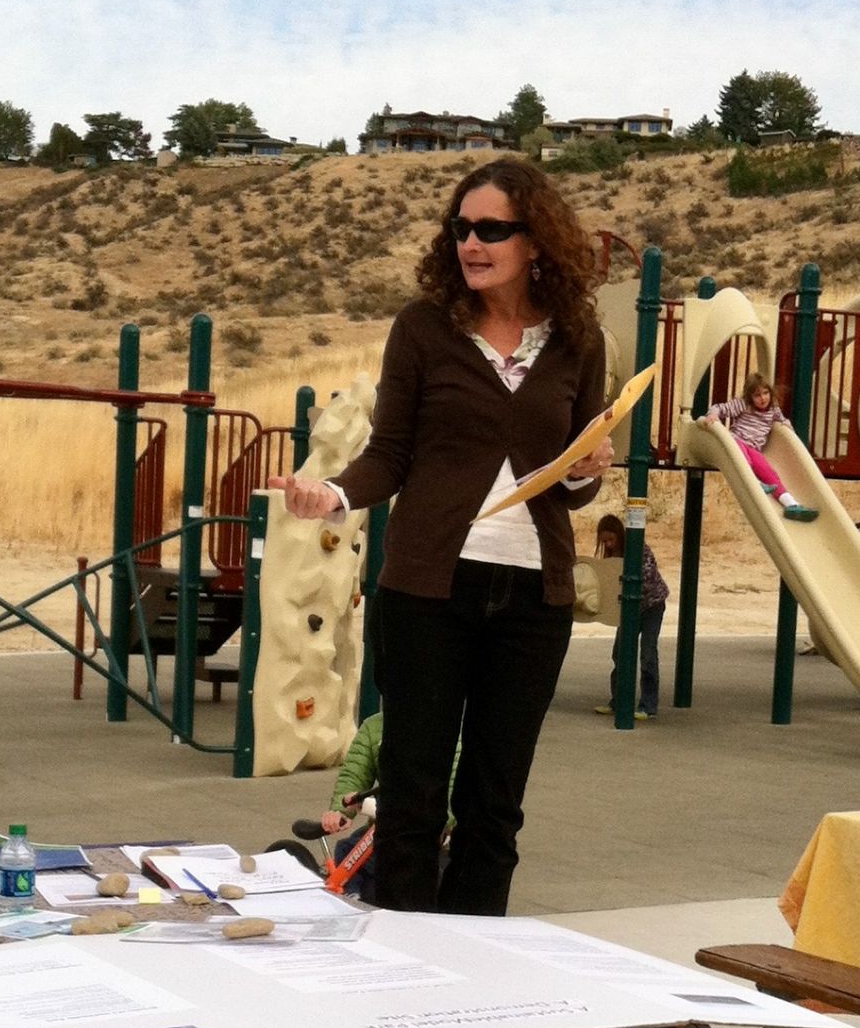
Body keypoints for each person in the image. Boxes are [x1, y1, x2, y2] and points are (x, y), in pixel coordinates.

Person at [270, 157, 612, 915]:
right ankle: (400, 961)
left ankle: (473, 962)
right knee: (413, 795)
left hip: (534, 599)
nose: (471, 242)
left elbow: (575, 481)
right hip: (428, 592)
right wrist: (329, 493)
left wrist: (591, 469)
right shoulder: (423, 328)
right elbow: (390, 455)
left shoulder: (578, 341)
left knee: (495, 806)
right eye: (461, 227)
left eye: (492, 229)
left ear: (536, 241)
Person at [702, 373, 817, 520]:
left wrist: (787, 423)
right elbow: (719, 407)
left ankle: (791, 505)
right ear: (750, 397)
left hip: (754, 448)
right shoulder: (744, 405)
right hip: (737, 441)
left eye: (765, 393)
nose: (763, 398)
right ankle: (756, 484)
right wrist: (713, 415)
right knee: (744, 460)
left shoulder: (773, 410)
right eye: (757, 395)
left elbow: (782, 420)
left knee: (769, 473)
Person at [591, 515, 668, 721]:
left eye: (610, 540)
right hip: (627, 609)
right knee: (620, 653)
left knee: (648, 654)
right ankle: (618, 700)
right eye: (604, 541)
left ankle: (648, 705)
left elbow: (647, 578)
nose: (607, 544)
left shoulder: (639, 549)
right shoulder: (610, 557)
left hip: (652, 606)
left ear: (620, 536)